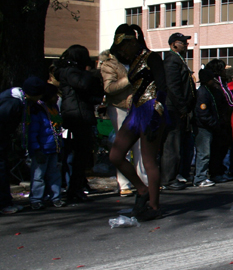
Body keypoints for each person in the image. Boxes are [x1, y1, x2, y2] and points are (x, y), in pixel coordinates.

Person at [108, 24, 167, 220]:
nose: (123, 52)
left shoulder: (152, 57)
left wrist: (156, 115)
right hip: (135, 111)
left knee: (149, 161)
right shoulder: (134, 61)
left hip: (151, 111)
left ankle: (154, 205)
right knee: (115, 155)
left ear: (133, 42)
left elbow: (162, 87)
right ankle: (141, 190)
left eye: (125, 47)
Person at [55, 44, 104, 203]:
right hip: (77, 115)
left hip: (79, 112)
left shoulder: (70, 72)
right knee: (78, 153)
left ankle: (76, 186)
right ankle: (73, 188)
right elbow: (83, 85)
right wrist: (91, 74)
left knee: (80, 154)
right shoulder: (71, 72)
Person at [99, 49, 144, 197]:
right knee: (122, 145)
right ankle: (124, 183)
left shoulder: (136, 62)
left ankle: (143, 181)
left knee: (140, 145)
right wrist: (129, 79)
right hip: (119, 106)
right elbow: (109, 88)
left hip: (138, 106)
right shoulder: (109, 65)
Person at [0, 77, 47, 214]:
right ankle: (4, 204)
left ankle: (6, 201)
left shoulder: (17, 99)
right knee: (1, 171)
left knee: (4, 170)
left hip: (3, 139)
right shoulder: (13, 103)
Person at [161, 33, 196, 190]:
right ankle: (168, 179)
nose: (186, 45)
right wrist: (182, 107)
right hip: (173, 108)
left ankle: (174, 175)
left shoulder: (179, 60)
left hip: (180, 109)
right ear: (174, 44)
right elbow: (173, 87)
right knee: (172, 145)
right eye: (182, 43)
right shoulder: (171, 60)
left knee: (178, 144)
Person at [27, 84, 64, 210]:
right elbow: (32, 132)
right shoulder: (38, 111)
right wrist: (36, 149)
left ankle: (55, 197)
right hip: (41, 148)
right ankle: (36, 199)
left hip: (54, 147)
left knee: (54, 174)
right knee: (38, 176)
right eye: (54, 95)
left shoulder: (54, 109)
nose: (57, 98)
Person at [206, 59, 233, 183]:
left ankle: (221, 170)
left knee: (223, 147)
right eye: (223, 69)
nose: (225, 71)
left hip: (226, 121)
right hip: (219, 121)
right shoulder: (214, 85)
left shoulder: (223, 83)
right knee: (217, 149)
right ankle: (215, 172)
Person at [193, 69, 218, 187]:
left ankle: (201, 176)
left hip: (206, 126)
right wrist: (213, 123)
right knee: (204, 153)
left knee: (205, 152)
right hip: (203, 127)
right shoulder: (203, 93)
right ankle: (199, 177)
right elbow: (202, 113)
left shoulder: (206, 91)